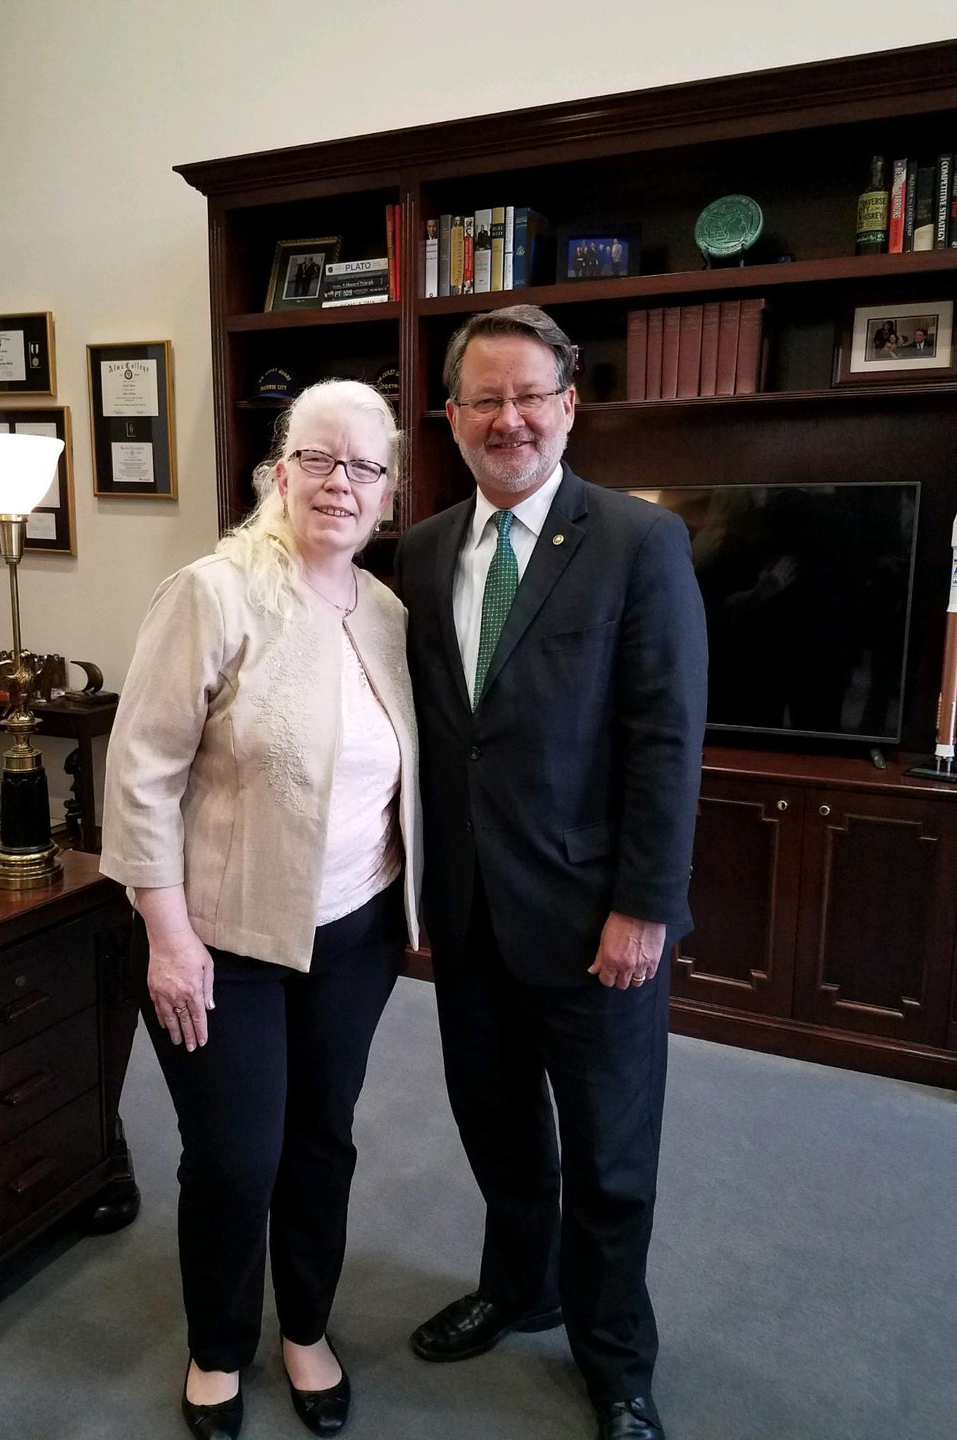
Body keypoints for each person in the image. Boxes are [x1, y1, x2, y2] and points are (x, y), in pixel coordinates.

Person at [395, 305, 707, 1440]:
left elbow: (667, 741)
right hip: (470, 919)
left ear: (570, 404)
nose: (509, 418)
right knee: (499, 1133)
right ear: (452, 414)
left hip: (596, 926)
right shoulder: (421, 551)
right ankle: (516, 1285)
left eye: (532, 394)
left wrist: (646, 908)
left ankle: (616, 1357)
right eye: (486, 397)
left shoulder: (636, 541)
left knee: (613, 1160)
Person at [100, 379, 422, 1440]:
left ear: (388, 493)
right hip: (220, 940)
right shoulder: (214, 592)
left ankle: (308, 1328)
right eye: (317, 459)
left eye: (364, 467)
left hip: (356, 933)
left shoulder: (384, 612)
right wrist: (168, 936)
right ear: (277, 472)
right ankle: (220, 1345)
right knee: (237, 1155)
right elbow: (141, 771)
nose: (339, 483)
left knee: (321, 1140)